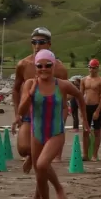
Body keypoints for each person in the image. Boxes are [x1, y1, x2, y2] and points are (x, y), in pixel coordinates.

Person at [16, 50, 88, 199]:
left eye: (47, 65)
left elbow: (79, 96)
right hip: (37, 133)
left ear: (53, 66)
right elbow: (21, 111)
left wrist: (85, 120)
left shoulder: (62, 85)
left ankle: (58, 189)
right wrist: (30, 95)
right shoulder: (30, 84)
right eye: (39, 66)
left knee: (41, 164)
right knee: (39, 171)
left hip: (55, 132)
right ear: (35, 68)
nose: (44, 69)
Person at [12, 27, 69, 186]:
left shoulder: (59, 68)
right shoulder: (24, 64)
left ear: (49, 44)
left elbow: (65, 100)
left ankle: (42, 194)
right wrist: (17, 113)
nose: (37, 45)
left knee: (41, 160)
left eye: (41, 42)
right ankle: (32, 156)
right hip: (29, 111)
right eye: (34, 42)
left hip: (50, 114)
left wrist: (61, 122)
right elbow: (16, 89)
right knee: (23, 148)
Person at [80, 58, 101, 161]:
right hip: (86, 107)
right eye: (90, 67)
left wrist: (98, 110)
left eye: (94, 68)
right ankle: (85, 154)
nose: (92, 70)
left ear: (97, 68)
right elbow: (80, 95)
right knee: (85, 131)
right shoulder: (84, 80)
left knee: (97, 131)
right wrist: (81, 110)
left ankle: (95, 154)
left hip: (96, 106)